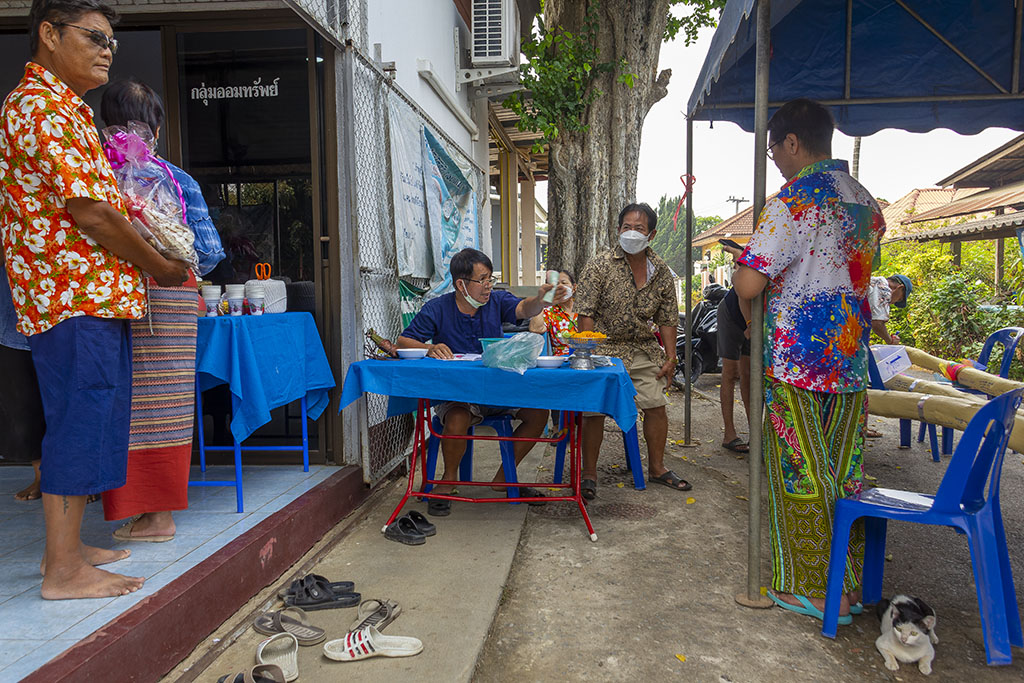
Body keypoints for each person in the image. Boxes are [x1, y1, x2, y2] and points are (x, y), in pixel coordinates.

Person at [0, 0, 190, 599]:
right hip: (72, 297)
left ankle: (69, 549)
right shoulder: (41, 106)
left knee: (89, 420)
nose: (107, 48)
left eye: (112, 39)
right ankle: (62, 571)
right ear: (49, 34)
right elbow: (92, 212)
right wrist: (160, 265)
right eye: (93, 36)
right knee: (80, 423)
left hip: (90, 296)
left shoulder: (67, 109)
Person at [733, 98, 885, 622]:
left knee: (800, 475)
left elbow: (751, 282)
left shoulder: (796, 200)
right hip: (848, 362)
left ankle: (819, 594)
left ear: (792, 143)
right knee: (844, 476)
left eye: (775, 149)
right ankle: (852, 585)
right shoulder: (865, 201)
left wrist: (741, 270)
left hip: (797, 362)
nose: (774, 159)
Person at [99, 78, 224, 541]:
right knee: (166, 405)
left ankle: (144, 513)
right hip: (173, 298)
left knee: (121, 403)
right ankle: (158, 513)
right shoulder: (177, 179)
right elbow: (208, 253)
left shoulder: (93, 174)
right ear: (157, 126)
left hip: (112, 296)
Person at [396, 248, 567, 516]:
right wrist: (429, 348)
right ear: (461, 284)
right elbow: (403, 342)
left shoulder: (497, 302)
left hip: (498, 392)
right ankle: (448, 480)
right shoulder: (437, 308)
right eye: (482, 280)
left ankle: (502, 479)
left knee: (538, 414)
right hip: (459, 393)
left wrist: (542, 299)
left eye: (491, 279)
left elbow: (524, 308)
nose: (488, 286)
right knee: (455, 418)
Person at [575, 202, 686, 500]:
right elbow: (584, 312)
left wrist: (670, 357)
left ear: (651, 234)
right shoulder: (599, 265)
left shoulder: (661, 271)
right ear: (618, 229)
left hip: (642, 348)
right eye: (627, 227)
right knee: (594, 408)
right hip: (603, 346)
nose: (632, 233)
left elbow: (667, 318)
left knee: (655, 403)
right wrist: (589, 353)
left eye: (639, 228)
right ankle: (589, 473)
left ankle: (658, 468)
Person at [1, 257, 46, 501]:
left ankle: (81, 478)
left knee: (73, 398)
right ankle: (42, 474)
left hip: (62, 290)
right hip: (11, 304)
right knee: (23, 397)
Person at [863, 273, 912, 437]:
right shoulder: (882, 287)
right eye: (899, 299)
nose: (894, 301)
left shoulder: (873, 281)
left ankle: (859, 426)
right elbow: (877, 323)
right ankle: (859, 428)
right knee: (865, 384)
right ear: (899, 288)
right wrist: (890, 340)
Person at [716, 281, 751, 454]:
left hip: (753, 319)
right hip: (732, 314)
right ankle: (729, 435)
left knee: (749, 376)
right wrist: (750, 324)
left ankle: (757, 435)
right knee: (731, 373)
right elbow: (741, 289)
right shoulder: (751, 261)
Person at [528, 268, 577, 355]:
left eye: (564, 283)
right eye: (556, 284)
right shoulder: (549, 312)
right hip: (561, 362)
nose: (560, 287)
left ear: (574, 288)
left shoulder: (583, 309)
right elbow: (535, 329)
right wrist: (542, 301)